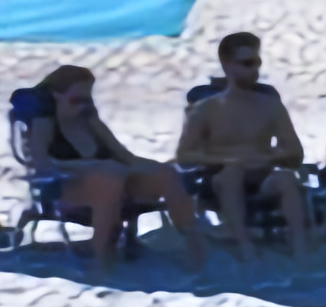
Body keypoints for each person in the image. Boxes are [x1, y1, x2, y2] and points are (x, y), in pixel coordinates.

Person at [24, 64, 209, 281]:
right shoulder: (45, 123)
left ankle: (195, 248)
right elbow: (41, 163)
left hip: (115, 178)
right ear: (56, 95)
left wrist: (160, 166)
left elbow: (125, 157)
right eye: (76, 100)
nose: (83, 106)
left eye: (88, 100)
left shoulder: (89, 120)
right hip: (67, 187)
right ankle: (102, 259)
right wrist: (87, 166)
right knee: (108, 180)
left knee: (165, 175)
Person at [172, 30, 313, 260]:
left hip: (262, 174)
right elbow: (184, 155)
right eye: (246, 63)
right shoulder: (206, 109)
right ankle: (246, 247)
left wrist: (269, 159)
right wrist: (227, 161)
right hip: (220, 178)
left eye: (256, 63)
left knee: (286, 179)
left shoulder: (271, 105)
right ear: (227, 65)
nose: (254, 70)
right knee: (231, 175)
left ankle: (300, 249)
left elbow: (295, 153)